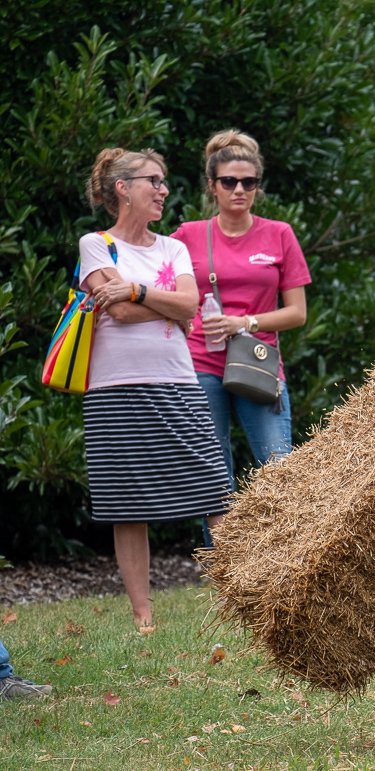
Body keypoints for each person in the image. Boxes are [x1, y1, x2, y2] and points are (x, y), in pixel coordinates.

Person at [81, 147, 231, 632]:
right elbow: (118, 314)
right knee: (128, 504)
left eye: (164, 181)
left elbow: (189, 305)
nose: (163, 190)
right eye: (153, 180)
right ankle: (143, 616)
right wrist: (162, 305)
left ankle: (246, 597)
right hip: (114, 388)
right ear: (122, 189)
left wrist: (137, 291)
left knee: (213, 487)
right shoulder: (96, 245)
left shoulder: (173, 248)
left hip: (177, 381)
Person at [172, 130, 311, 493]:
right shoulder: (187, 235)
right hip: (201, 362)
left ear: (258, 187)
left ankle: (285, 552)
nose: (239, 190)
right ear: (212, 186)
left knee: (279, 471)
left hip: (258, 359)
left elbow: (297, 313)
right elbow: (159, 286)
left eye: (249, 182)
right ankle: (219, 553)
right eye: (229, 181)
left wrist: (245, 322)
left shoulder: (279, 233)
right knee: (212, 477)